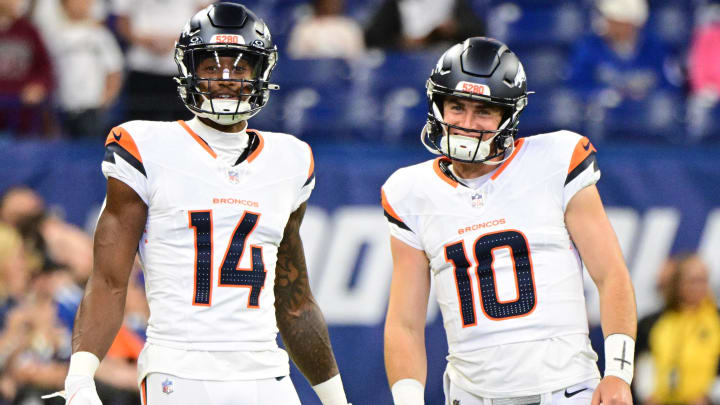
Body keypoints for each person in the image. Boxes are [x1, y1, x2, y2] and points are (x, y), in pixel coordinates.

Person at [46, 3, 351, 405]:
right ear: (190, 70)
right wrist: (81, 376)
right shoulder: (145, 146)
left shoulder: (290, 159)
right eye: (211, 66)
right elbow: (108, 280)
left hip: (265, 371)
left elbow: (294, 302)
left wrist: (337, 400)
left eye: (239, 68)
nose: (225, 79)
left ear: (260, 73)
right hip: (181, 369)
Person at [381, 37, 637, 405]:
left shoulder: (555, 160)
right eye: (456, 106)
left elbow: (611, 274)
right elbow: (404, 323)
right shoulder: (410, 191)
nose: (467, 123)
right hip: (472, 396)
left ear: (508, 115)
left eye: (483, 111)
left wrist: (618, 373)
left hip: (566, 392)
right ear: (438, 106)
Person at [635, 253, 720, 405]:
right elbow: (644, 361)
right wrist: (649, 396)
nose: (698, 287)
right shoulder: (653, 322)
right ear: (678, 283)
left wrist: (709, 397)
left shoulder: (716, 320)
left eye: (703, 280)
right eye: (692, 281)